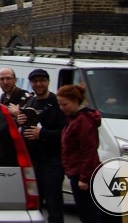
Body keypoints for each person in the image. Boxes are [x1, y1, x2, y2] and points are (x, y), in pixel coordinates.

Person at [58, 83, 115, 223]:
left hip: (83, 173)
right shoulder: (75, 119)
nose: (62, 108)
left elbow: (88, 150)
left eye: (65, 104)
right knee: (89, 212)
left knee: (88, 213)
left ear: (75, 101)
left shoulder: (82, 121)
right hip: (78, 170)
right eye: (60, 104)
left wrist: (84, 178)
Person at [19, 69, 66, 223]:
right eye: (35, 81)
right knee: (35, 204)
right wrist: (21, 123)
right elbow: (27, 128)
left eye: (42, 81)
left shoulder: (58, 103)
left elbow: (66, 133)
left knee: (54, 204)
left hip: (52, 161)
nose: (38, 84)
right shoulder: (30, 102)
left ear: (48, 82)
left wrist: (42, 134)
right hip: (34, 161)